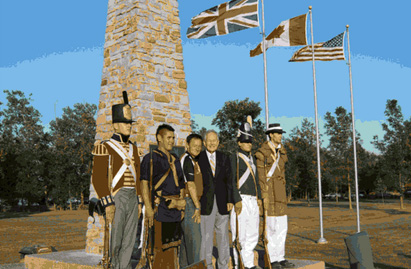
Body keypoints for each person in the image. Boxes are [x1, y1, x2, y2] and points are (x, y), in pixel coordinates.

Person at [91, 90, 141, 269]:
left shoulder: (134, 149)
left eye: (130, 123)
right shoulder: (105, 147)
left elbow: (139, 176)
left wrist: (140, 201)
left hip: (133, 197)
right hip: (116, 197)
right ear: (115, 126)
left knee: (129, 238)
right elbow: (98, 178)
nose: (129, 126)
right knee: (116, 239)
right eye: (125, 123)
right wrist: (108, 202)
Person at [140, 124, 186, 268]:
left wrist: (182, 205)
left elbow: (182, 185)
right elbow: (144, 183)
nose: (172, 141)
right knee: (158, 249)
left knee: (173, 248)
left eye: (173, 137)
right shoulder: (151, 158)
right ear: (159, 138)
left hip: (175, 209)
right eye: (169, 137)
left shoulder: (175, 159)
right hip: (159, 209)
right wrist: (148, 207)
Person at [198, 130, 242, 269]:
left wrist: (230, 199)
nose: (212, 143)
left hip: (223, 203)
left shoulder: (224, 157)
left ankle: (223, 266)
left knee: (223, 238)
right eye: (209, 141)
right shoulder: (199, 158)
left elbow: (229, 180)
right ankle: (208, 266)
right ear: (204, 143)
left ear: (218, 142)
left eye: (214, 140)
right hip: (206, 204)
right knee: (206, 238)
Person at [255, 123, 295, 269]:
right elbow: (260, 177)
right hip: (269, 194)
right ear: (270, 135)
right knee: (270, 229)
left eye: (281, 133)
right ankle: (272, 259)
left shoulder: (282, 152)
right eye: (277, 133)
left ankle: (281, 256)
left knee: (282, 228)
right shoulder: (262, 152)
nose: (280, 136)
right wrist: (262, 196)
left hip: (280, 195)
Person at [230, 118, 262, 269]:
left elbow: (257, 180)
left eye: (250, 142)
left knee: (252, 233)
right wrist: (236, 199)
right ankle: (239, 264)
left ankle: (249, 264)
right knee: (240, 235)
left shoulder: (252, 159)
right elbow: (230, 181)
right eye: (245, 141)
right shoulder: (234, 158)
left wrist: (259, 198)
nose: (248, 144)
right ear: (239, 143)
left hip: (253, 199)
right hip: (241, 199)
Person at [179, 133, 203, 267]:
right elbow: (190, 184)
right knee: (195, 246)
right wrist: (197, 207)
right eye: (194, 145)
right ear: (187, 145)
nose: (197, 148)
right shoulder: (187, 159)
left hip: (191, 203)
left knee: (186, 246)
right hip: (190, 204)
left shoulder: (193, 160)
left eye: (199, 146)